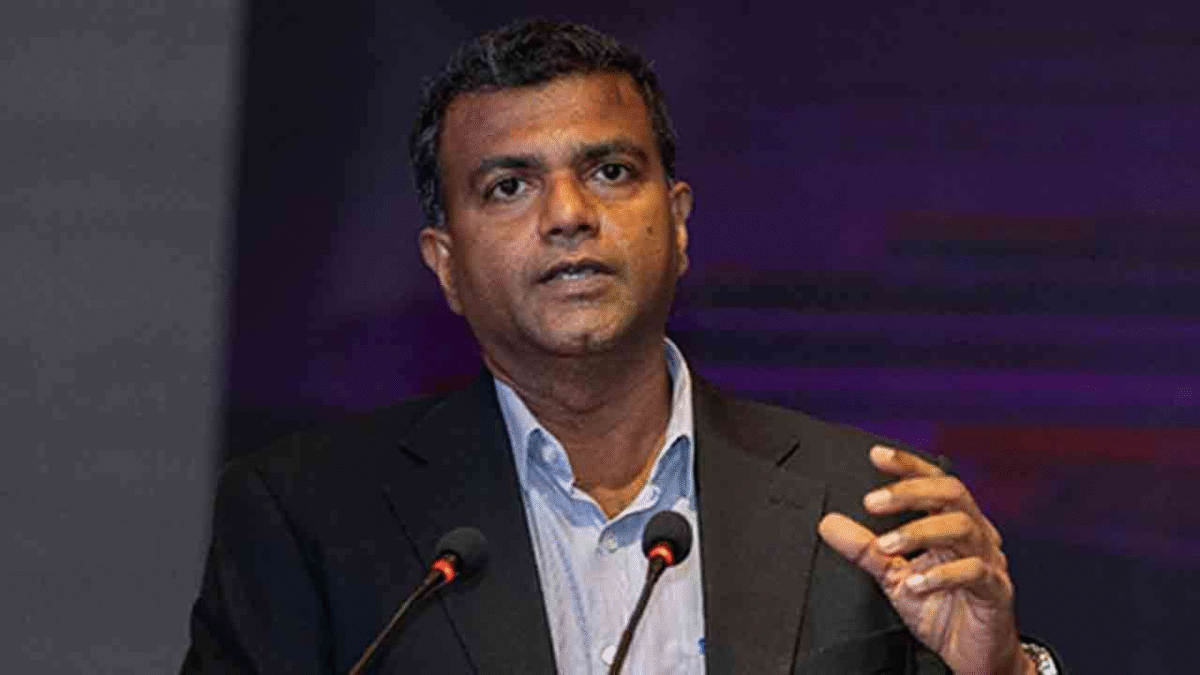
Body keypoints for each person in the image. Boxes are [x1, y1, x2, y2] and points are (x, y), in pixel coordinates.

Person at [182, 19, 1061, 674]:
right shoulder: (307, 521)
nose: (569, 214)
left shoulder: (880, 507)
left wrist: (998, 673)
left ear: (677, 224)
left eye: (609, 171)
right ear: (445, 264)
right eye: (509, 185)